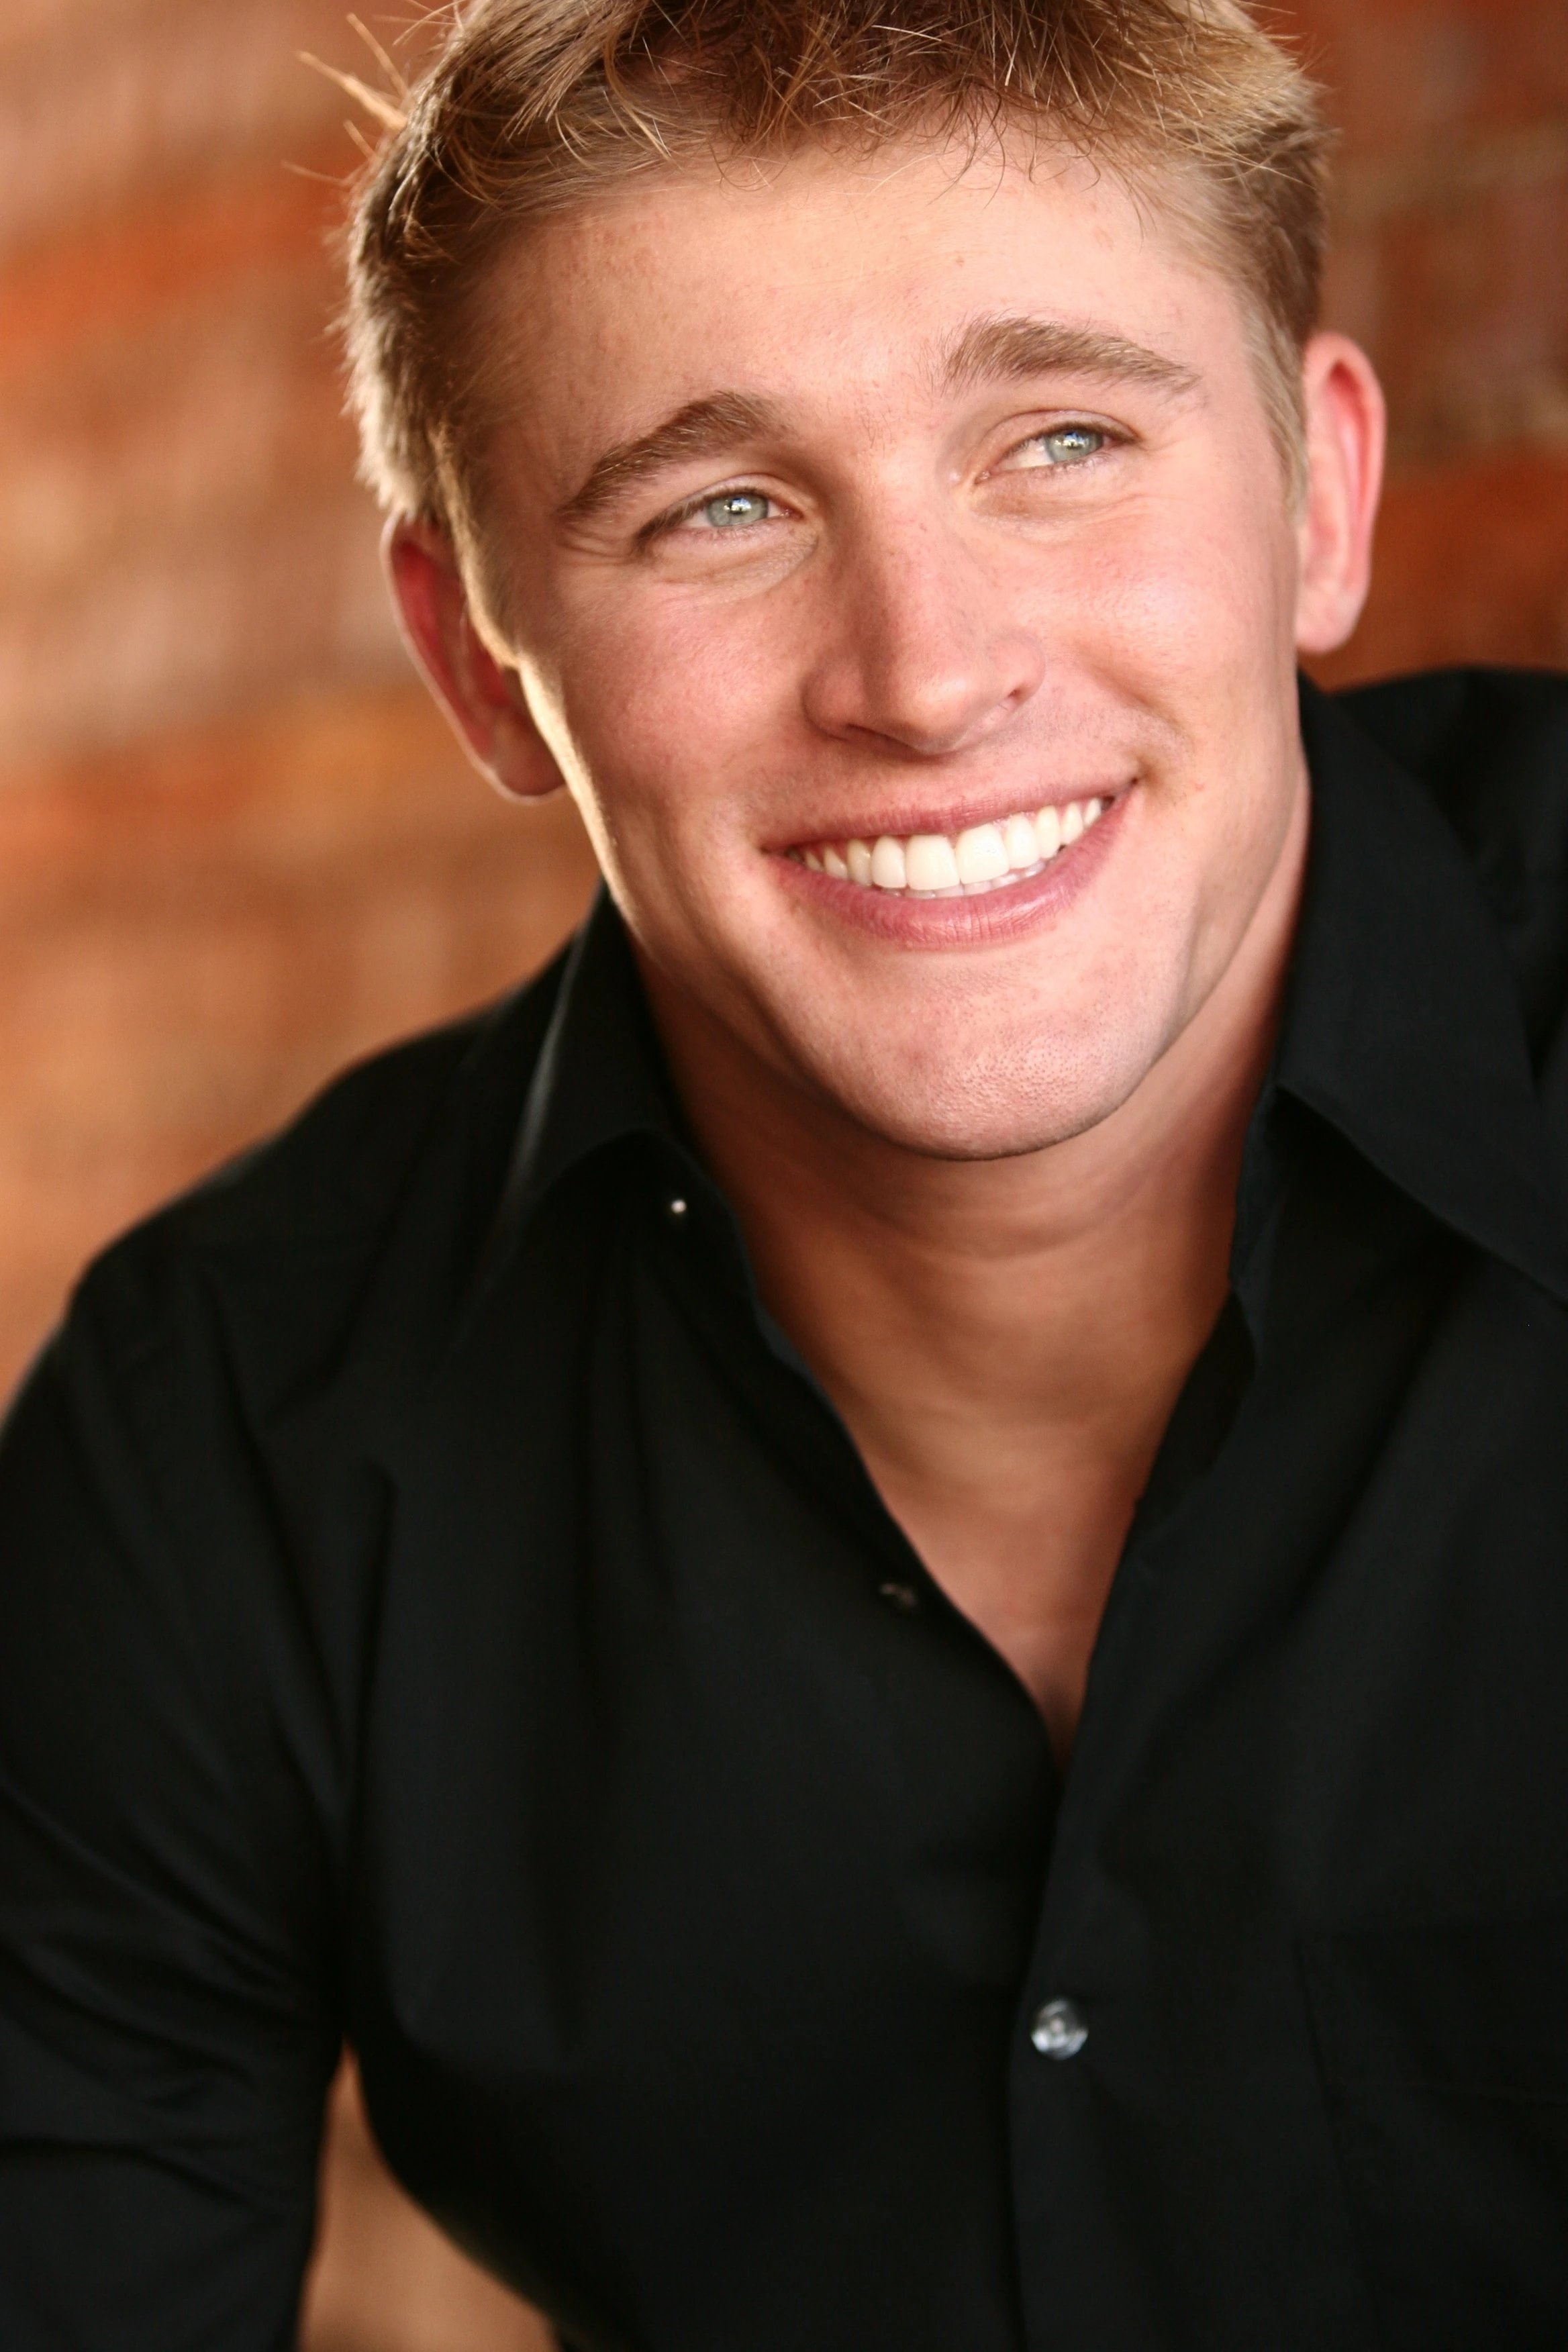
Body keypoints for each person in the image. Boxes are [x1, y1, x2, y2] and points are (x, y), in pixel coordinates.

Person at [3, 0, 1567, 2343]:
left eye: (1060, 441)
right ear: (479, 659)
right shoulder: (226, 1443)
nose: (926, 677)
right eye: (719, 508)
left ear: (1323, 500)